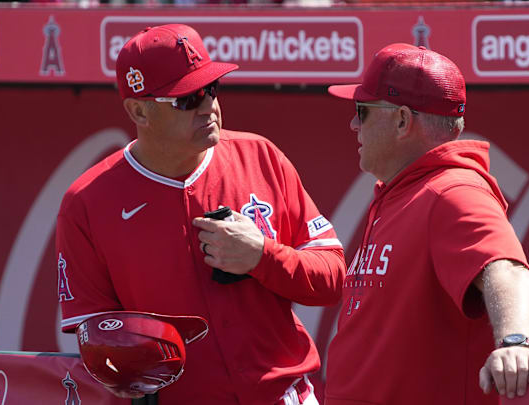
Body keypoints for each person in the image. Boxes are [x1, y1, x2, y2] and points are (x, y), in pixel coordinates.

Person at [55, 24, 345, 405]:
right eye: (187, 99)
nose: (208, 105)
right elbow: (94, 335)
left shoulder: (261, 156)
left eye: (211, 89)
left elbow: (335, 278)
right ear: (138, 111)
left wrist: (262, 256)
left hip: (283, 396)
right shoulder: (87, 202)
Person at [323, 43, 529, 405]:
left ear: (403, 120)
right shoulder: (402, 191)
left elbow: (507, 270)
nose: (352, 123)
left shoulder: (452, 191)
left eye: (362, 111)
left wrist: (514, 342)